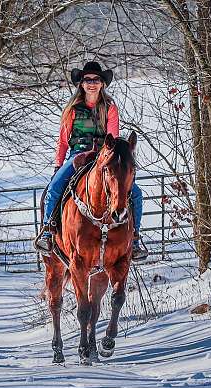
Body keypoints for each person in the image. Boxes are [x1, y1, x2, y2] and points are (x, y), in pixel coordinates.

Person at [34, 61, 148, 261]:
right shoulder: (72, 110)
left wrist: (106, 155)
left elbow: (112, 138)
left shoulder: (109, 108)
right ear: (81, 84)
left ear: (102, 83)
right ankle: (47, 232)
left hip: (103, 157)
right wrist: (58, 165)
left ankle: (135, 239)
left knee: (136, 193)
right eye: (87, 80)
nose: (92, 83)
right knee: (54, 188)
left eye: (96, 80)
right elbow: (62, 141)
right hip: (78, 155)